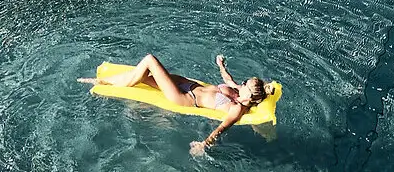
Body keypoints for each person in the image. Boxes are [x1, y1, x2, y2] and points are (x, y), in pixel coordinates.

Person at [81, 53, 267, 155]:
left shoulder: (236, 109)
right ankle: (104, 82)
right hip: (187, 83)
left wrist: (204, 144)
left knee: (149, 60)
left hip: (183, 96)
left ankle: (102, 84)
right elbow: (228, 79)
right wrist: (221, 65)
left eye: (245, 85)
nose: (241, 84)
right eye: (244, 81)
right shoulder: (237, 90)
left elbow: (221, 128)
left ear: (249, 96)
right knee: (144, 77)